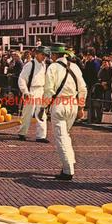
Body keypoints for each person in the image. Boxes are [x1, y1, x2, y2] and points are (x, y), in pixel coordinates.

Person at [39, 43, 87, 180]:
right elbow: (83, 89)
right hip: (73, 103)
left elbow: (48, 91)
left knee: (61, 137)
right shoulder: (75, 67)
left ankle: (68, 170)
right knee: (66, 135)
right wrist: (81, 107)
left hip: (59, 104)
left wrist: (44, 107)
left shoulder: (52, 68)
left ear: (54, 55)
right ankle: (70, 162)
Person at [17, 46, 49, 143]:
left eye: (45, 55)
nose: (44, 57)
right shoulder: (30, 65)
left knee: (42, 114)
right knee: (27, 113)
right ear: (36, 54)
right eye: (42, 54)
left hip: (41, 90)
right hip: (31, 91)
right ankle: (22, 132)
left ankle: (41, 136)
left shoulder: (44, 65)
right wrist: (25, 92)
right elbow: (22, 79)